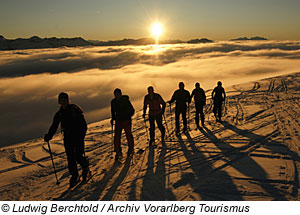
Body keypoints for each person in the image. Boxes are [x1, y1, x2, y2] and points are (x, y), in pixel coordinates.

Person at [44, 92, 90, 188]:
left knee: (77, 155)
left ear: (67, 100)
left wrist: (82, 135)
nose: (63, 102)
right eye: (62, 100)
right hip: (68, 137)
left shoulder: (74, 109)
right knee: (70, 157)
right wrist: (49, 136)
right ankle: (75, 175)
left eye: (65, 100)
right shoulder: (59, 114)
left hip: (77, 136)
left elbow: (83, 124)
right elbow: (54, 126)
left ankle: (85, 167)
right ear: (59, 102)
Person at [111, 88, 135, 161]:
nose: (116, 96)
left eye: (117, 94)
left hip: (126, 120)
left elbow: (132, 110)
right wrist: (113, 118)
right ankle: (118, 151)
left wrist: (127, 116)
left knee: (128, 135)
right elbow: (112, 111)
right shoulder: (113, 102)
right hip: (119, 121)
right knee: (117, 136)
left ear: (120, 94)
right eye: (115, 94)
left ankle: (130, 148)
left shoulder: (125, 101)